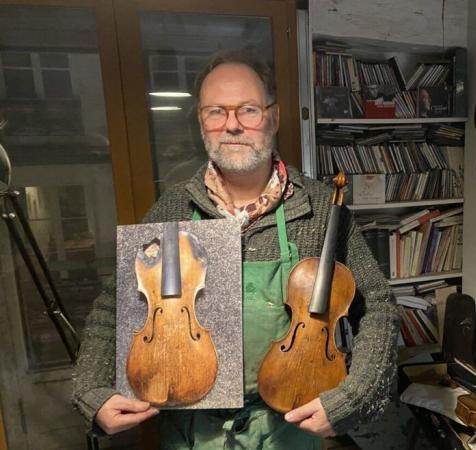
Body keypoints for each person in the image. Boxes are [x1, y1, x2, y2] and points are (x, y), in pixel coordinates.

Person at [72, 49, 398, 449]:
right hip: (190, 433)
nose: (232, 126)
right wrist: (92, 391)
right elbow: (114, 305)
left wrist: (354, 397)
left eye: (248, 110)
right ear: (201, 123)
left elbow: (378, 304)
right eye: (216, 112)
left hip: (289, 429)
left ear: (274, 118)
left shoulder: (321, 209)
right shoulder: (172, 208)